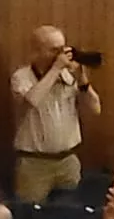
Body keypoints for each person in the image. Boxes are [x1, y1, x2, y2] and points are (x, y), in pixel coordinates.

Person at [11, 25, 101, 202]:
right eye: (54, 50)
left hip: (68, 160)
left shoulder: (68, 76)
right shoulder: (21, 77)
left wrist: (83, 80)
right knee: (31, 212)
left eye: (63, 48)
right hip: (35, 163)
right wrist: (55, 69)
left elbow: (95, 108)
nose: (61, 55)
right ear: (37, 51)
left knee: (68, 211)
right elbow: (31, 100)